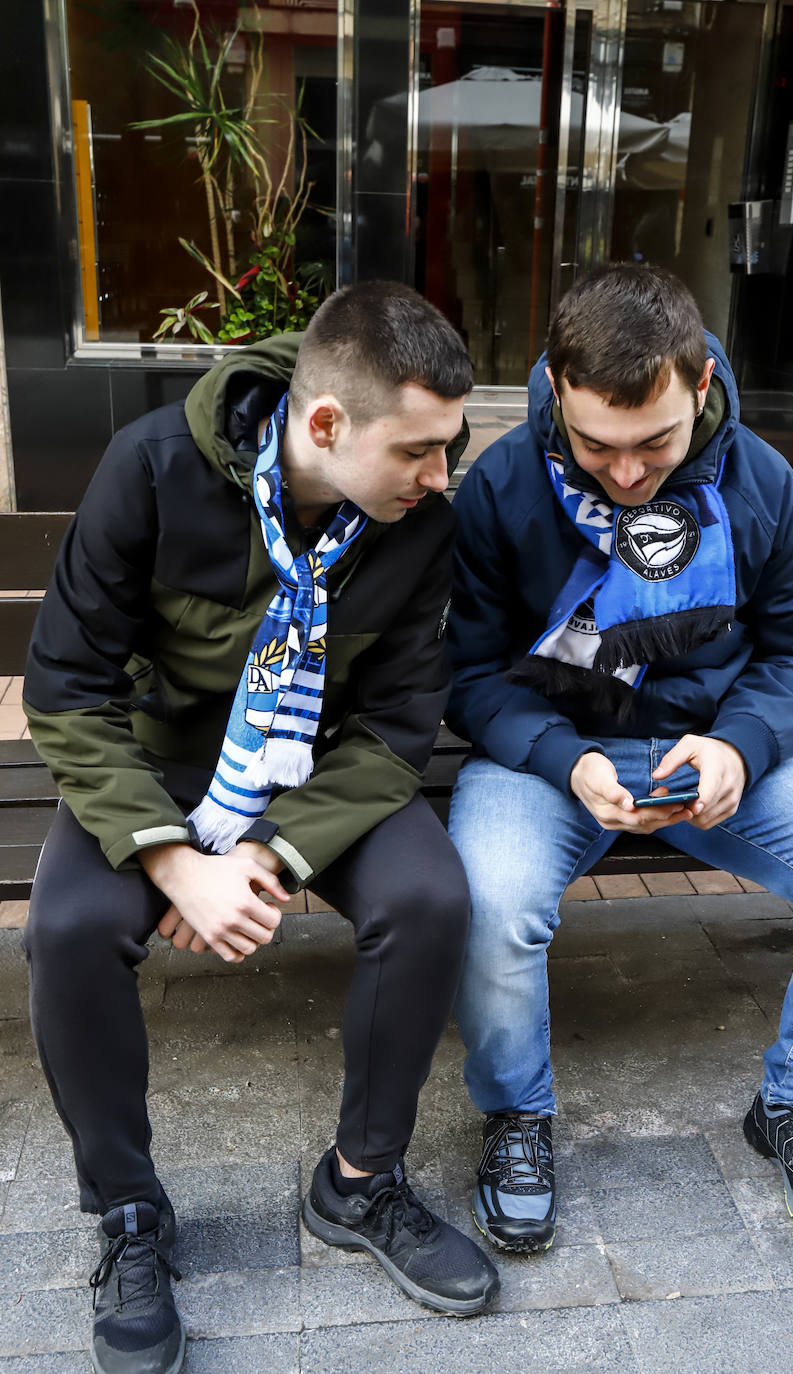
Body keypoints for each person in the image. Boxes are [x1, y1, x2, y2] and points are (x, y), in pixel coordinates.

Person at [23, 282, 500, 1374]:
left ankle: (361, 1183)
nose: (441, 476)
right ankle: (129, 1215)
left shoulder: (420, 521)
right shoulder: (148, 469)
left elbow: (395, 725)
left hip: (315, 770)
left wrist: (261, 853)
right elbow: (64, 692)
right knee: (65, 932)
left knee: (429, 896)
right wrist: (168, 857)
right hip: (152, 758)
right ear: (324, 425)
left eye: (450, 447)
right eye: (420, 451)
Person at [444, 263, 793, 1258]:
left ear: (699, 385)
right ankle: (516, 1120)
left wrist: (738, 745)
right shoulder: (498, 485)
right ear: (555, 391)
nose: (623, 473)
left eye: (650, 442)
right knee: (488, 900)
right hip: (549, 748)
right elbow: (470, 674)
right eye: (593, 446)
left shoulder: (759, 480)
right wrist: (564, 759)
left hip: (726, 742)